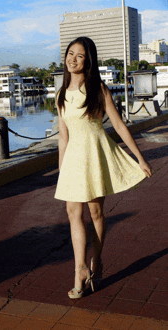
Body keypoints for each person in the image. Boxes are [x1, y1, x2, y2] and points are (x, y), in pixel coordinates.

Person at [54, 36, 152, 299]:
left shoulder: (98, 89)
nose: (73, 59)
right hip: (74, 158)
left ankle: (97, 260)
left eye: (80, 56)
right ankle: (80, 269)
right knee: (73, 212)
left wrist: (139, 158)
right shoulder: (61, 94)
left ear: (88, 61)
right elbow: (63, 135)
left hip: (96, 155)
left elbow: (119, 126)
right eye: (70, 54)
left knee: (96, 213)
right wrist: (61, 170)